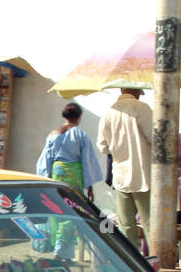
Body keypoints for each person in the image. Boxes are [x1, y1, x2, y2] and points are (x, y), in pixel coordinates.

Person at [36, 102, 104, 257]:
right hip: (74, 176)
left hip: (56, 174)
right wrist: (90, 186)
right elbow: (88, 160)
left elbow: (45, 160)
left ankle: (60, 249)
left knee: (57, 209)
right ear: (78, 117)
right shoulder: (80, 135)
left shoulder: (53, 134)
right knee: (71, 210)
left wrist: (44, 179)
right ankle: (61, 252)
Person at [96, 88, 152, 250]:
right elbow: (155, 138)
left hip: (120, 176)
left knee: (126, 226)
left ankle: (133, 266)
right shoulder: (142, 108)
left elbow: (103, 147)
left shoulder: (108, 113)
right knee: (149, 224)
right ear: (137, 91)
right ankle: (157, 264)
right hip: (143, 176)